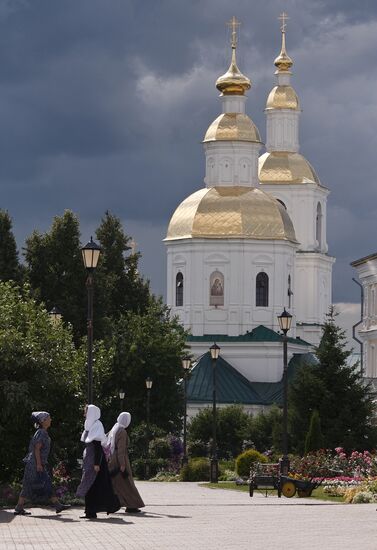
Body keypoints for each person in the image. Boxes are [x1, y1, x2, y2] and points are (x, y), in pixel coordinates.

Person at [14, 411, 70, 515]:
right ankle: (57, 505)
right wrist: (39, 464)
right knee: (41, 483)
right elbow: (37, 449)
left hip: (35, 462)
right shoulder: (41, 432)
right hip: (35, 463)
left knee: (34, 484)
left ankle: (19, 507)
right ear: (43, 421)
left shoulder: (42, 431)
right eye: (49, 418)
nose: (50, 420)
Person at [76, 404, 120, 519]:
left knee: (92, 485)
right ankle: (90, 511)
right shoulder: (90, 425)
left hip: (95, 462)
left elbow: (97, 447)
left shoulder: (97, 425)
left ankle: (92, 511)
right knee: (91, 485)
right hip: (90, 460)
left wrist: (96, 464)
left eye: (86, 412)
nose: (84, 414)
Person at [107, 412, 145, 514]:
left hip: (112, 459)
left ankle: (124, 503)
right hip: (120, 459)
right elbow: (121, 449)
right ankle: (132, 505)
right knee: (128, 483)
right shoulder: (122, 431)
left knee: (118, 483)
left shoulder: (114, 429)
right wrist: (122, 464)